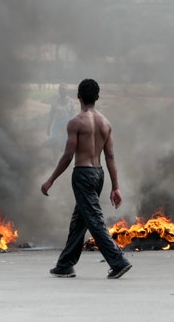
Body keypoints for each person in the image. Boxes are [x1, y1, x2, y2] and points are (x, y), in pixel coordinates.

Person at [40, 78, 132, 280]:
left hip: (82, 174)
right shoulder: (105, 123)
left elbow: (67, 156)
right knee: (79, 220)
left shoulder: (76, 122)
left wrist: (51, 180)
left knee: (93, 220)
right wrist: (115, 187)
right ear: (97, 97)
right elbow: (110, 157)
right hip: (98, 174)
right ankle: (65, 265)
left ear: (78, 96)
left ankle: (118, 261)